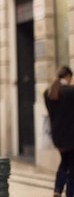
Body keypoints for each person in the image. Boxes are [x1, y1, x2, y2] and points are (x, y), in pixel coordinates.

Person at [44, 65, 74, 197]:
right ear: (68, 77)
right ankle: (70, 192)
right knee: (72, 166)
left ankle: (57, 189)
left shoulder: (49, 92)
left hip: (58, 136)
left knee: (65, 162)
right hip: (71, 136)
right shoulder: (70, 92)